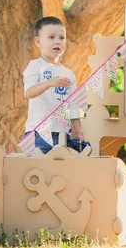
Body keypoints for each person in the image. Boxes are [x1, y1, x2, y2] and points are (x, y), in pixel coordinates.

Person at [22, 16, 88, 154]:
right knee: (38, 171)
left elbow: (73, 105)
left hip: (63, 135)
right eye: (51, 37)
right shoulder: (35, 66)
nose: (57, 41)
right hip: (38, 133)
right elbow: (29, 92)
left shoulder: (68, 73)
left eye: (61, 38)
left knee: (58, 172)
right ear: (38, 42)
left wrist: (78, 131)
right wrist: (49, 83)